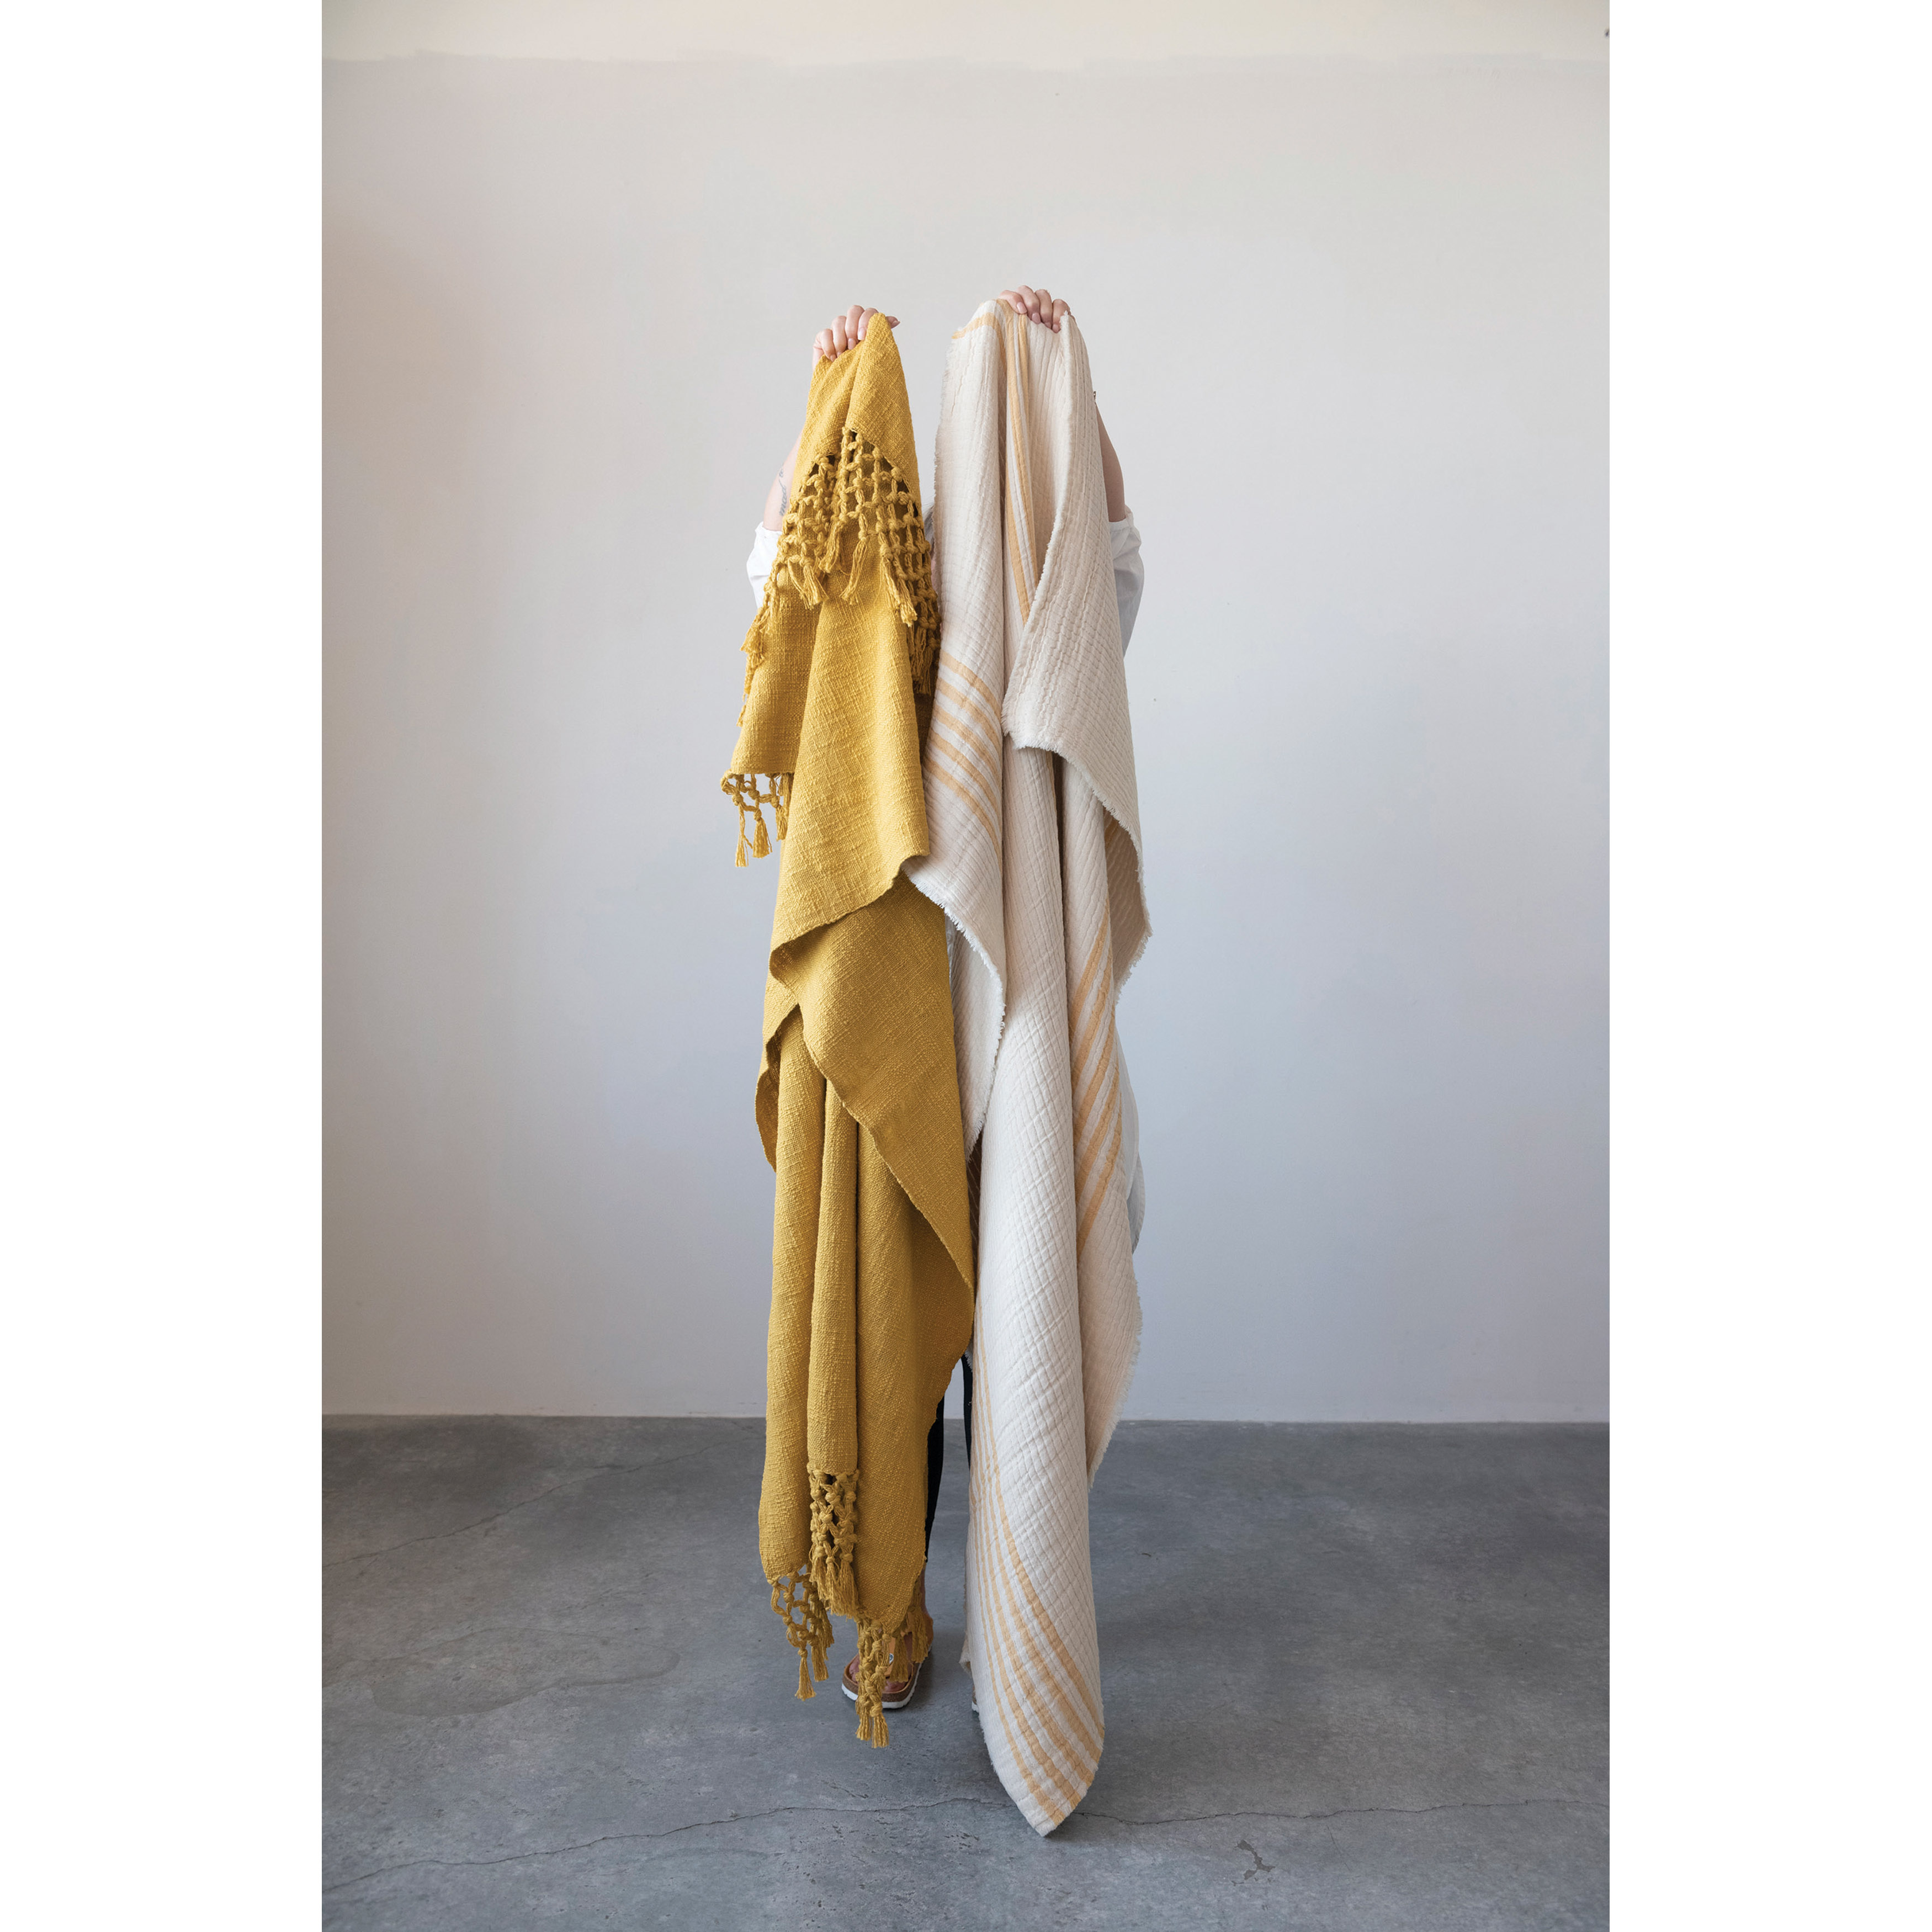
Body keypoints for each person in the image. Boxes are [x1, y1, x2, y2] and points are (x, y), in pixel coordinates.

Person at [741, 287, 1147, 1715]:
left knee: (1016, 1304)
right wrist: (822, 408)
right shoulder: (867, 587)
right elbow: (779, 579)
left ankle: (1017, 1603)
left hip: (1015, 994)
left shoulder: (1023, 597)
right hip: (896, 1011)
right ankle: (894, 1613)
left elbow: (1105, 569)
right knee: (895, 1305)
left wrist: (1068, 396)